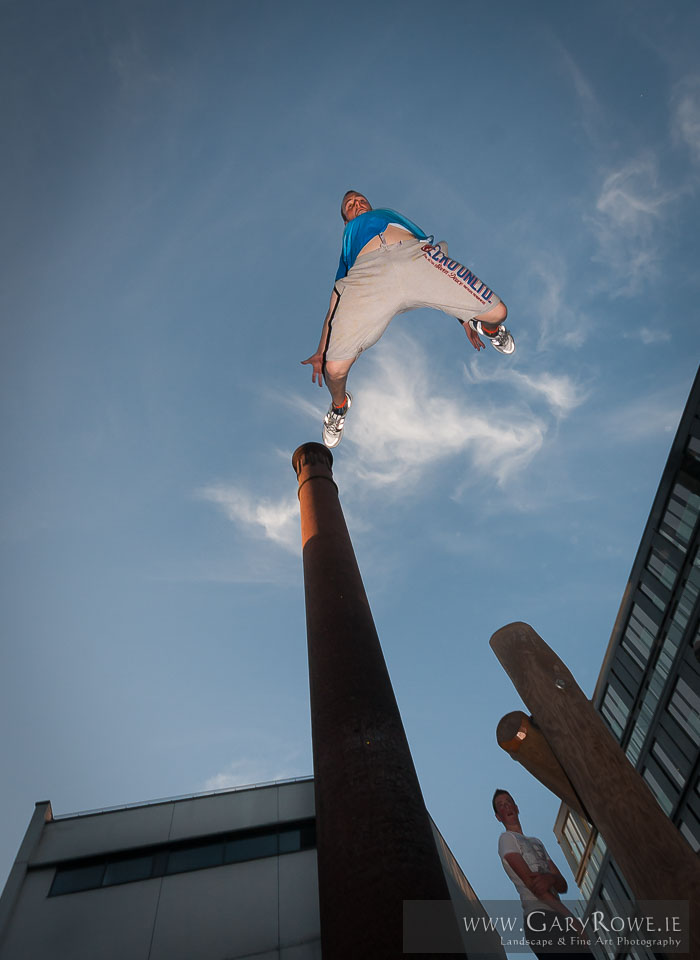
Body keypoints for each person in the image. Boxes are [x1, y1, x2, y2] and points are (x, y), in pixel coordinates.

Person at [302, 190, 515, 448]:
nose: (357, 204)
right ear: (345, 219)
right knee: (333, 370)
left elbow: (442, 276)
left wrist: (465, 318)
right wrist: (321, 349)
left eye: (361, 200)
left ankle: (489, 330)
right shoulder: (349, 239)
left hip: (415, 257)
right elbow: (336, 301)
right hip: (368, 277)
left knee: (498, 313)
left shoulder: (387, 215)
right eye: (350, 205)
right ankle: (339, 407)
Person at [493, 789, 591, 958]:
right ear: (498, 817)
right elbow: (535, 886)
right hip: (540, 919)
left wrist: (550, 878)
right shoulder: (507, 840)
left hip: (558, 917)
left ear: (516, 807)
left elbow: (562, 885)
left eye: (508, 802)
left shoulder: (536, 842)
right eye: (501, 805)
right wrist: (572, 919)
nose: (506, 806)